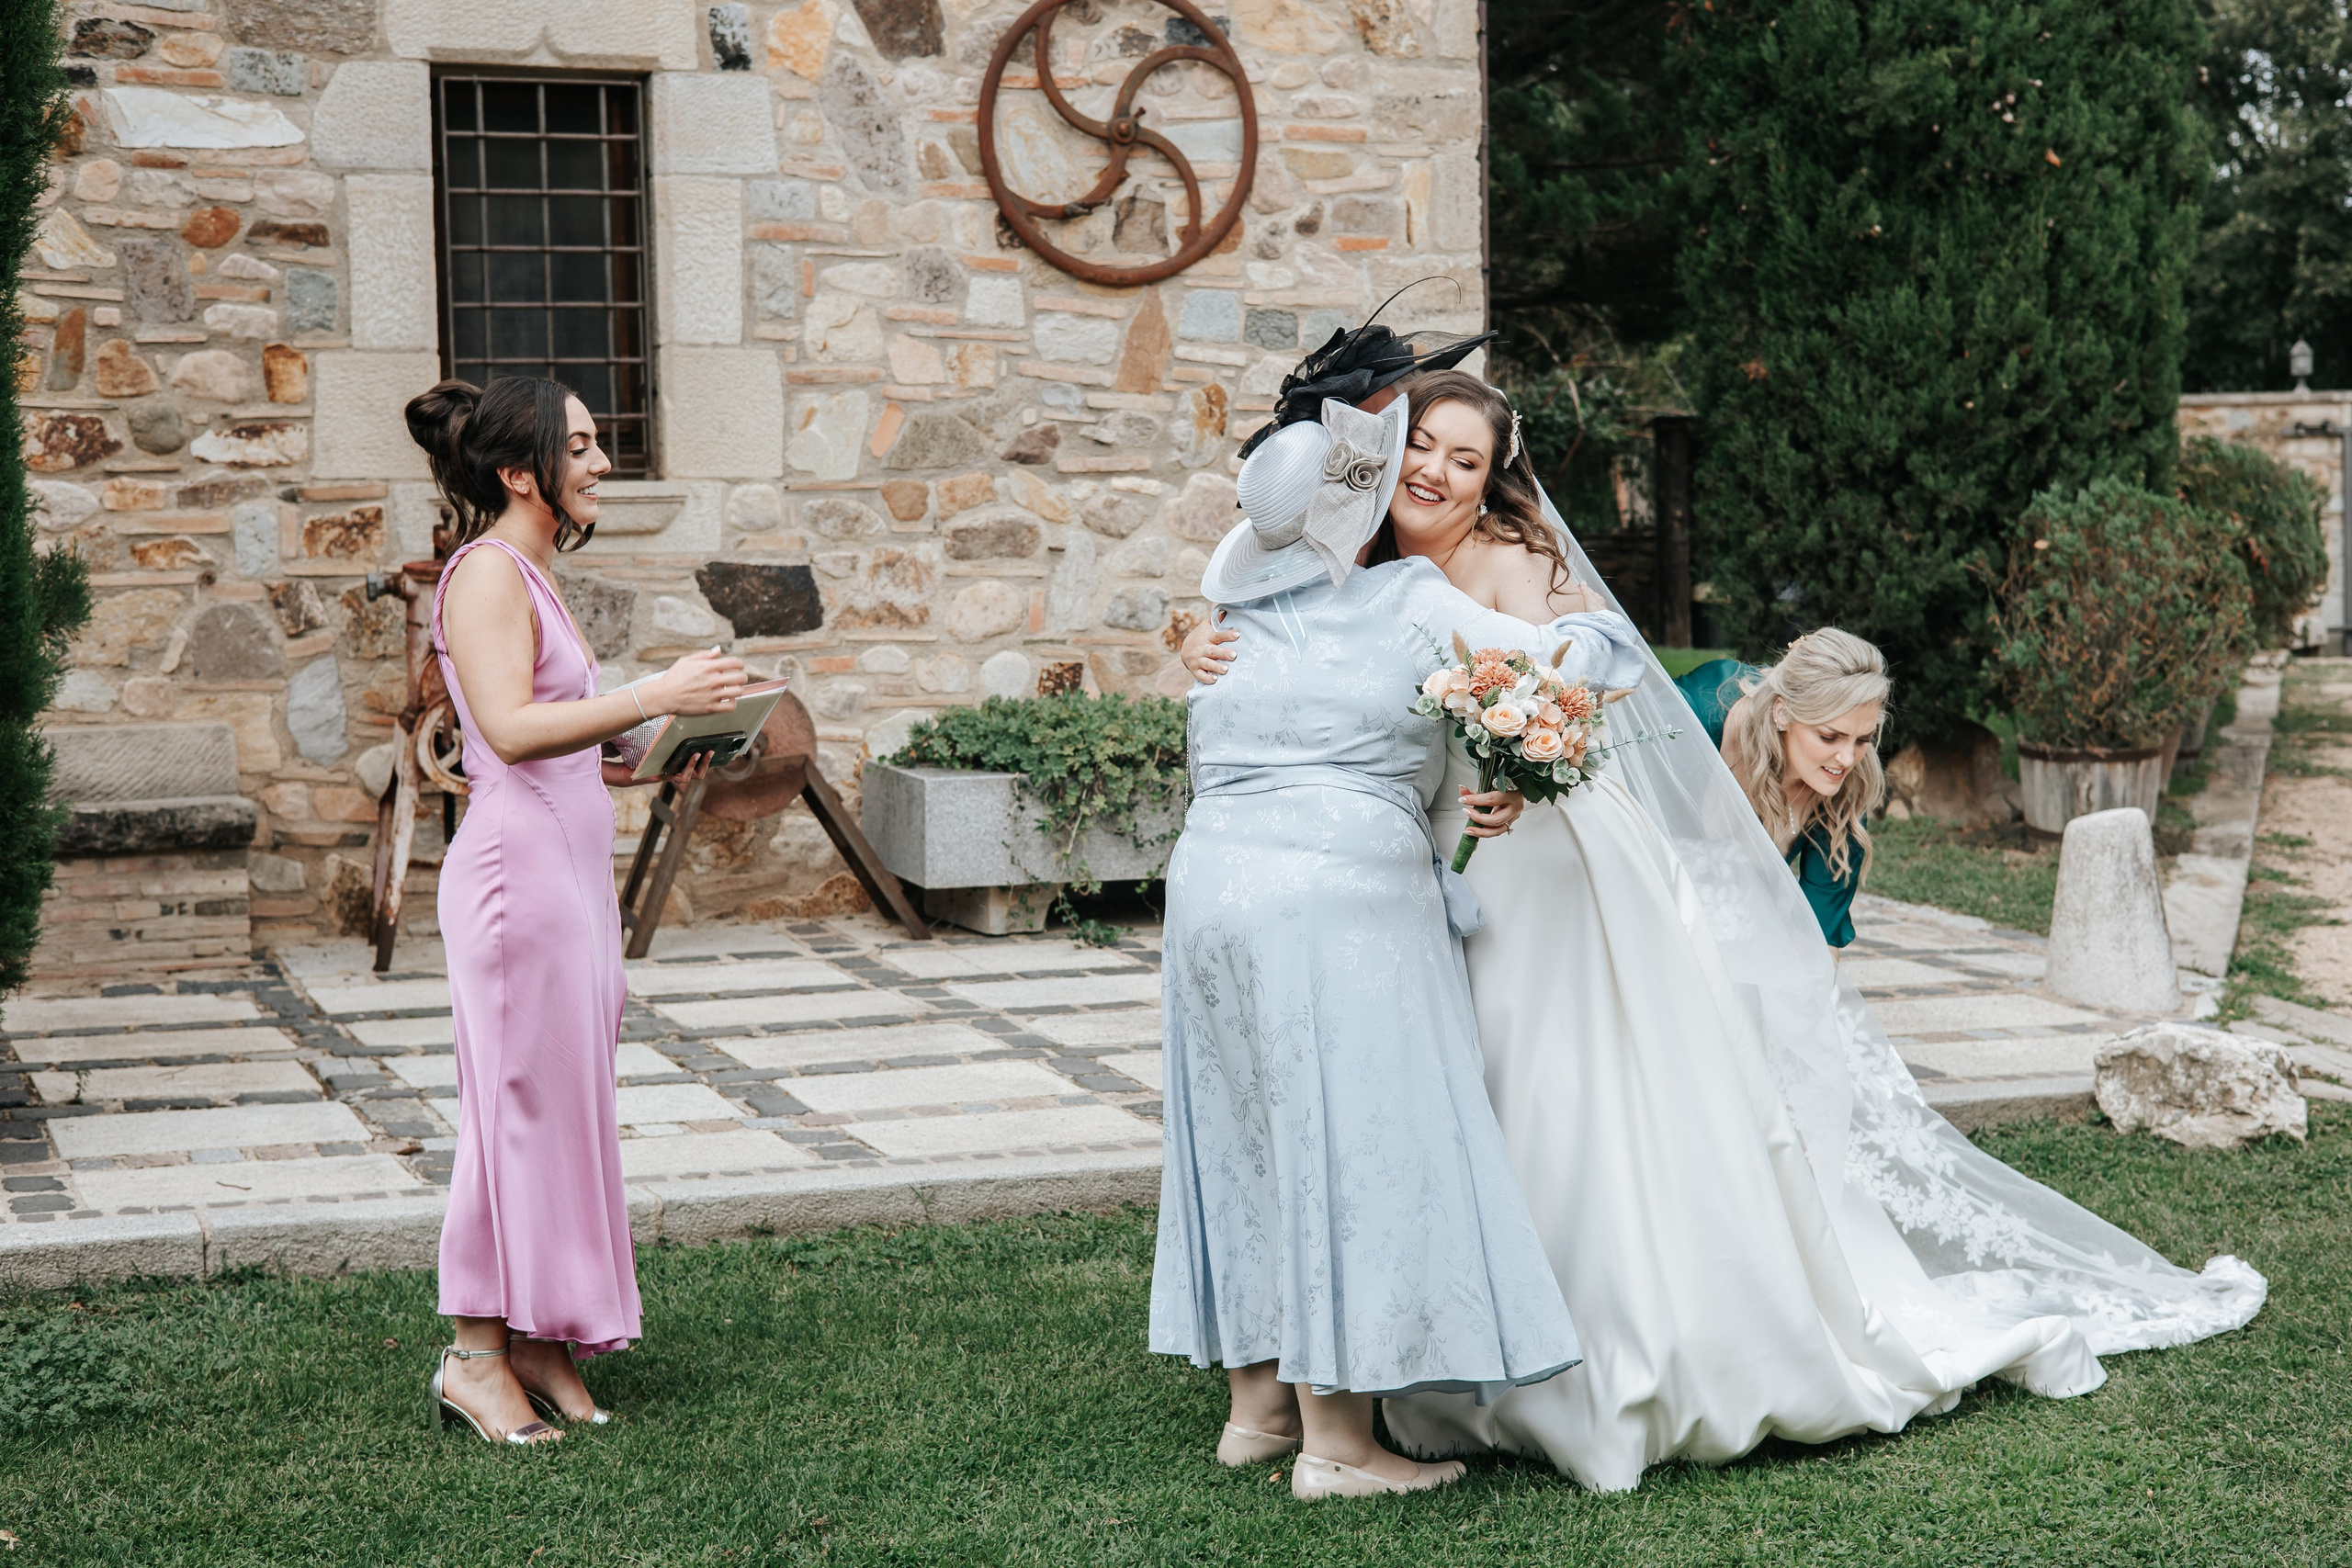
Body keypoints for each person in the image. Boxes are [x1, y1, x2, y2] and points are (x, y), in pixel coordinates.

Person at [1182, 367, 2267, 1492]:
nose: (1436, 474)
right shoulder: (1350, 565)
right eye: (1422, 447)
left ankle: (1599, 1359)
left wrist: (1521, 772)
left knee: (1553, 1087)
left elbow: (1596, 684)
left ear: (1494, 477)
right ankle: (1415, 1354)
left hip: (1540, 863)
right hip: (1410, 883)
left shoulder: (1513, 564)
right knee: (1434, 1101)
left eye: (1466, 460)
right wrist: (1195, 645)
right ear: (1381, 451)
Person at [1154, 359, 1650, 1500]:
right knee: (1352, 1144)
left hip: (1209, 883)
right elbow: (1573, 667)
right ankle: (1340, 1446)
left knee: (1243, 1135)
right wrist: (1598, 637)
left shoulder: (1243, 601)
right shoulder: (1411, 601)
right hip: (1337, 895)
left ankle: (1257, 1411)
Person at [404, 377, 747, 1445]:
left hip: (566, 879)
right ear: (521, 473)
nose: (603, 464)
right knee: (511, 1114)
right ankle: (471, 1356)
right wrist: (655, 695)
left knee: (560, 1113)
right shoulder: (486, 573)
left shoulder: (537, 576)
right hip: (516, 885)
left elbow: (564, 742)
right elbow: (506, 730)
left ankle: (542, 1336)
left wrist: (660, 750)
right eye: (584, 448)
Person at [1672, 633, 1890, 948]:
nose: (1847, 759)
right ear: (1782, 713)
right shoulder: (1698, 718)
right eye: (1829, 737)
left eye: (1862, 740)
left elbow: (1818, 935)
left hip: (1735, 938)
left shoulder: (1849, 783)